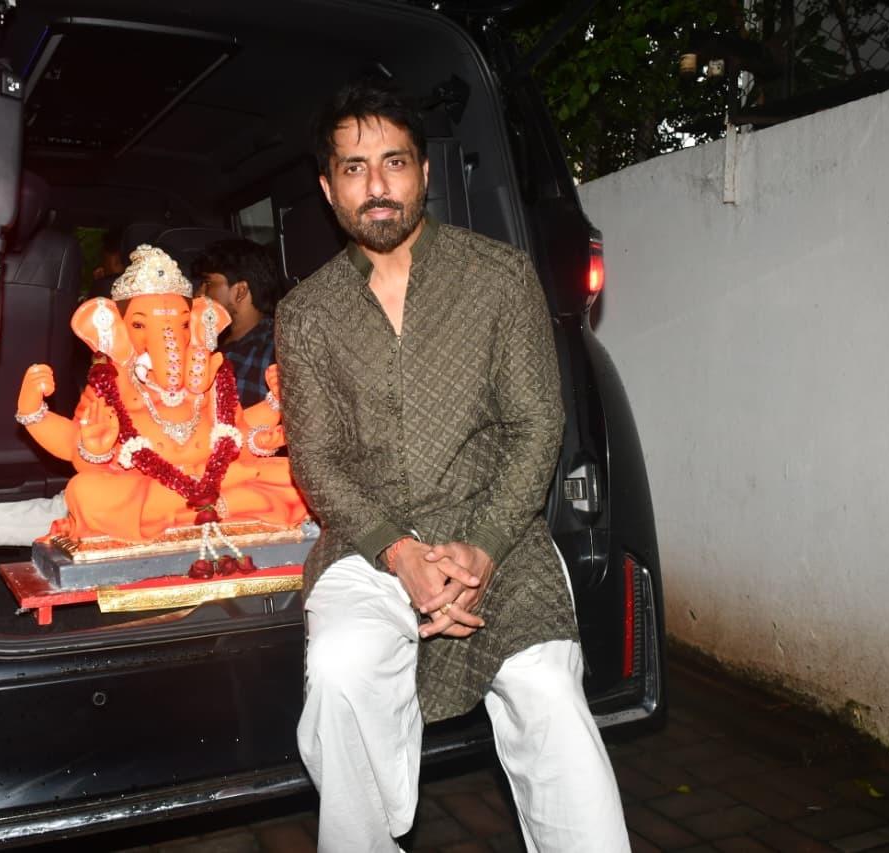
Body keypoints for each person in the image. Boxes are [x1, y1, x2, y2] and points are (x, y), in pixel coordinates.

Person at [274, 78, 629, 852]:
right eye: (355, 167)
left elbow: (538, 423)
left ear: (425, 172)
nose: (377, 185)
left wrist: (485, 547)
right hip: (369, 545)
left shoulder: (499, 276)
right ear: (329, 187)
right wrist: (400, 552)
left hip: (498, 534)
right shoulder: (305, 314)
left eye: (394, 162)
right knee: (340, 669)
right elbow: (317, 459)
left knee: (548, 692)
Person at [192, 238, 282, 407]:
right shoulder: (199, 339)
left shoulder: (274, 352)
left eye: (208, 283)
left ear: (240, 291)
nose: (198, 293)